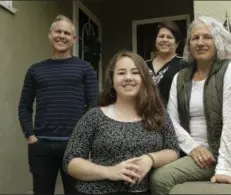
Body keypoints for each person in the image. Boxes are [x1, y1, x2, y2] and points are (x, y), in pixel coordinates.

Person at [150, 16, 231, 195]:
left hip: (217, 154)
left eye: (207, 37)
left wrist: (224, 168)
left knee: (159, 178)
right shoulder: (180, 77)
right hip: (189, 151)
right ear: (189, 44)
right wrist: (193, 148)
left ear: (218, 41)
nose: (200, 42)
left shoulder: (230, 70)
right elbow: (171, 121)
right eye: (195, 38)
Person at [63, 50, 179, 195]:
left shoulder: (157, 114)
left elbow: (173, 150)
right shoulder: (94, 116)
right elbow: (70, 161)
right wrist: (109, 171)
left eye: (135, 72)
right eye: (121, 73)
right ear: (112, 80)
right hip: (96, 191)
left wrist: (150, 159)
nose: (128, 78)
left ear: (144, 79)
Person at [18, 15, 99, 194]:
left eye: (67, 33)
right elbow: (24, 105)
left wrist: (85, 139)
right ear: (50, 34)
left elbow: (94, 106)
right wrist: (30, 136)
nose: (62, 36)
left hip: (75, 146)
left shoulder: (85, 68)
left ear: (74, 39)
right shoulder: (35, 70)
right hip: (41, 146)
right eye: (58, 31)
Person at [146, 21, 187, 106]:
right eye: (161, 36)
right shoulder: (143, 65)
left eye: (169, 37)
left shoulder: (184, 64)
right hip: (144, 115)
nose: (164, 40)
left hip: (173, 116)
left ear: (177, 43)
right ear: (155, 40)